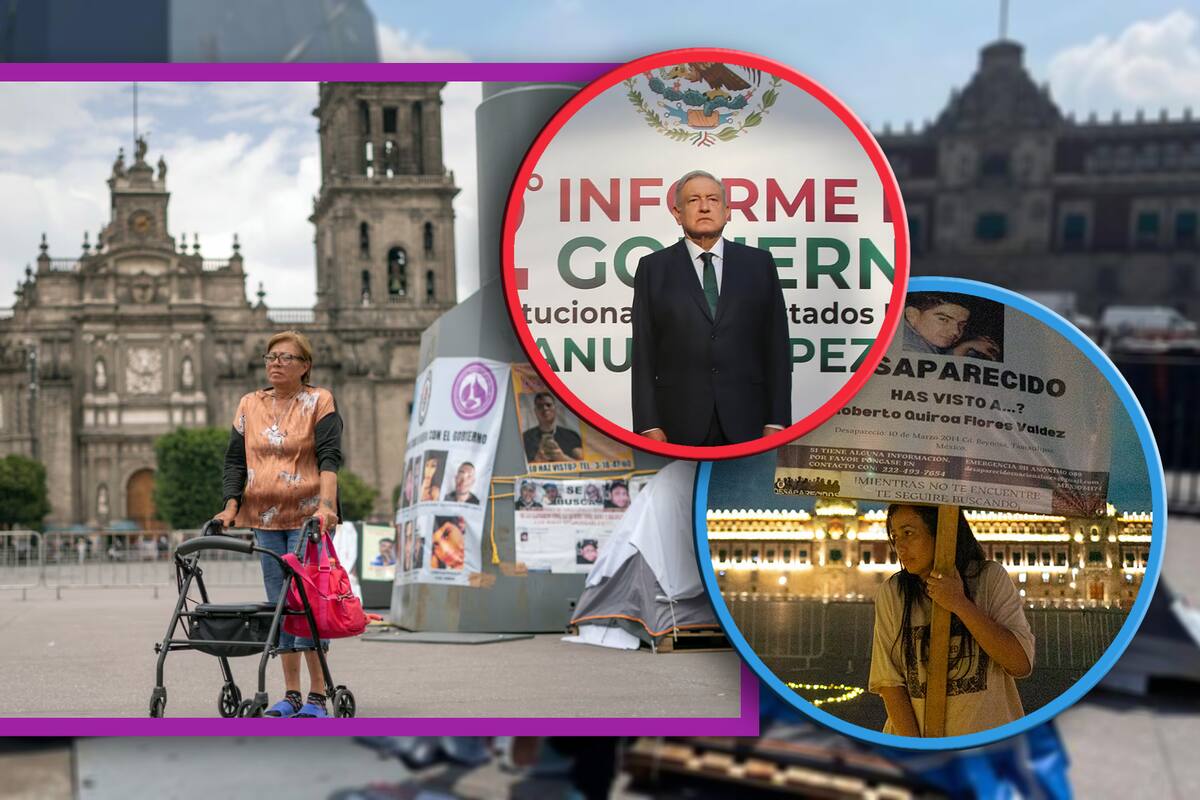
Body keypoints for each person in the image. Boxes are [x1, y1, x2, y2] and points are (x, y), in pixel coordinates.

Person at [216, 329, 342, 719]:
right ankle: (291, 695)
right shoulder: (248, 404)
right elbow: (235, 460)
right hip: (264, 520)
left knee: (307, 607)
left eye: (286, 357)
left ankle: (318, 696)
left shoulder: (319, 401)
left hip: (308, 520)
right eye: (271, 357)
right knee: (279, 609)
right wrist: (230, 506)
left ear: (305, 366)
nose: (276, 363)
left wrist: (327, 506)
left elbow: (329, 458)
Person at [631, 169, 791, 446]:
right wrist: (647, 425)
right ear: (677, 213)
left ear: (727, 211)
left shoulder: (759, 265)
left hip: (749, 422)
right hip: (678, 423)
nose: (704, 207)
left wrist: (776, 421)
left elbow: (776, 347)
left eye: (713, 200)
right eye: (693, 200)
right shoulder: (653, 269)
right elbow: (643, 352)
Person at [869, 504, 1035, 737]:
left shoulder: (989, 579)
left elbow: (1020, 664)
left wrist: (960, 604)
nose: (900, 547)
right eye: (895, 537)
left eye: (909, 533)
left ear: (944, 530)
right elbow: (890, 684)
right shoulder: (894, 593)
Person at [903, 293, 1000, 360]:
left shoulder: (920, 338)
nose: (956, 331)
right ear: (912, 315)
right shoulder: (908, 346)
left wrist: (964, 347)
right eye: (944, 319)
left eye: (961, 324)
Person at [522, 392, 583, 462]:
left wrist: (563, 458)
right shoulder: (525, 438)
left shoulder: (572, 436)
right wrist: (537, 461)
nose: (545, 408)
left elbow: (585, 465)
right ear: (535, 411)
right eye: (540, 406)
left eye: (548, 405)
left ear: (555, 408)